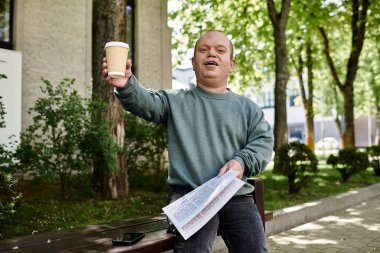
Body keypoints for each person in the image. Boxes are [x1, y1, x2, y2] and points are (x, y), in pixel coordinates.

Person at [102, 30, 274, 253]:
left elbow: (263, 142)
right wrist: (125, 85)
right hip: (190, 195)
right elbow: (145, 102)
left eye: (220, 50)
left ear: (231, 64)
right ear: (193, 63)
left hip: (235, 196)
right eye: (204, 49)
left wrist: (241, 162)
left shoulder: (248, 108)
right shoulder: (174, 101)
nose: (211, 53)